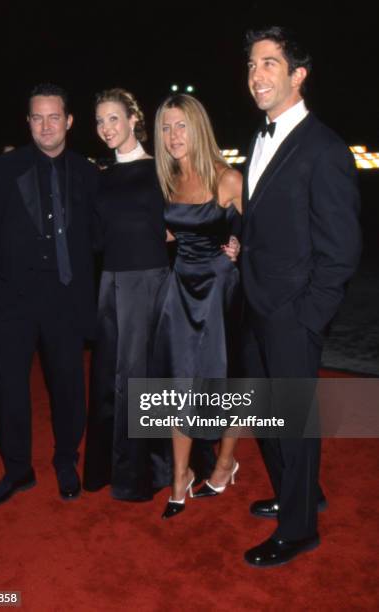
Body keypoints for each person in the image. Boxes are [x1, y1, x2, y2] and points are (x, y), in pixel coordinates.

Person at [241, 27, 361, 567]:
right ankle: (301, 493)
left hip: (292, 315)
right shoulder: (257, 137)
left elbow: (341, 250)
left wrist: (308, 317)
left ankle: (299, 528)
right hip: (257, 305)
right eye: (251, 65)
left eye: (269, 63)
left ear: (298, 74)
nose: (256, 75)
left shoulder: (325, 148)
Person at [0, 83, 98, 507]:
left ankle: (66, 461)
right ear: (28, 122)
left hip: (65, 301)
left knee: (67, 388)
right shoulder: (0, 171)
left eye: (54, 117)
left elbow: (102, 236)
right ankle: (17, 470)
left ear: (69, 121)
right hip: (11, 303)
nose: (46, 126)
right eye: (37, 118)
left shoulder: (86, 172)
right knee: (9, 389)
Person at [153, 94, 243, 519]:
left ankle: (225, 464)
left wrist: (243, 248)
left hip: (220, 291)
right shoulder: (167, 181)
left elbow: (267, 234)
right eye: (167, 128)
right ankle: (180, 476)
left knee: (224, 380)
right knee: (178, 383)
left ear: (198, 127)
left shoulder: (229, 179)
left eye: (181, 126)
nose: (173, 136)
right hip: (181, 289)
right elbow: (170, 235)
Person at [82, 88, 173, 501]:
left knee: (140, 377)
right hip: (111, 285)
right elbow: (97, 238)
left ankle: (142, 472)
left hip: (150, 283)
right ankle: (107, 467)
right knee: (107, 378)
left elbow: (191, 213)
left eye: (114, 118)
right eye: (100, 121)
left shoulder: (161, 169)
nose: (106, 128)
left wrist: (225, 242)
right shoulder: (100, 178)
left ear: (134, 119)